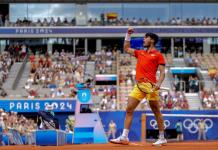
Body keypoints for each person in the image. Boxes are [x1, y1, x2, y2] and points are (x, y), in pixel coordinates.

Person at [110, 27, 167, 146]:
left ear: (151, 40)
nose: (143, 40)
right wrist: (128, 34)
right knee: (129, 109)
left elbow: (162, 73)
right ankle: (124, 137)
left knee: (156, 111)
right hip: (139, 85)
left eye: (145, 38)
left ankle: (162, 137)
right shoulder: (140, 52)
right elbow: (126, 48)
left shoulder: (158, 55)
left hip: (151, 86)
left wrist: (158, 84)